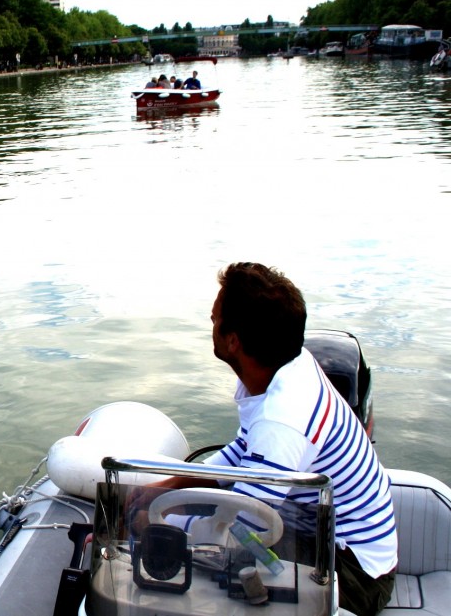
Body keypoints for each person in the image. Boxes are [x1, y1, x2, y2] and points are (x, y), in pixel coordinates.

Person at [137, 263, 398, 616]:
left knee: (212, 565)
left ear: (233, 340)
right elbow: (239, 455)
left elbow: (242, 532)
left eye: (214, 319)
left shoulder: (283, 419)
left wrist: (156, 525)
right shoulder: (287, 368)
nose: (210, 324)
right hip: (312, 529)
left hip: (353, 572)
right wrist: (166, 488)